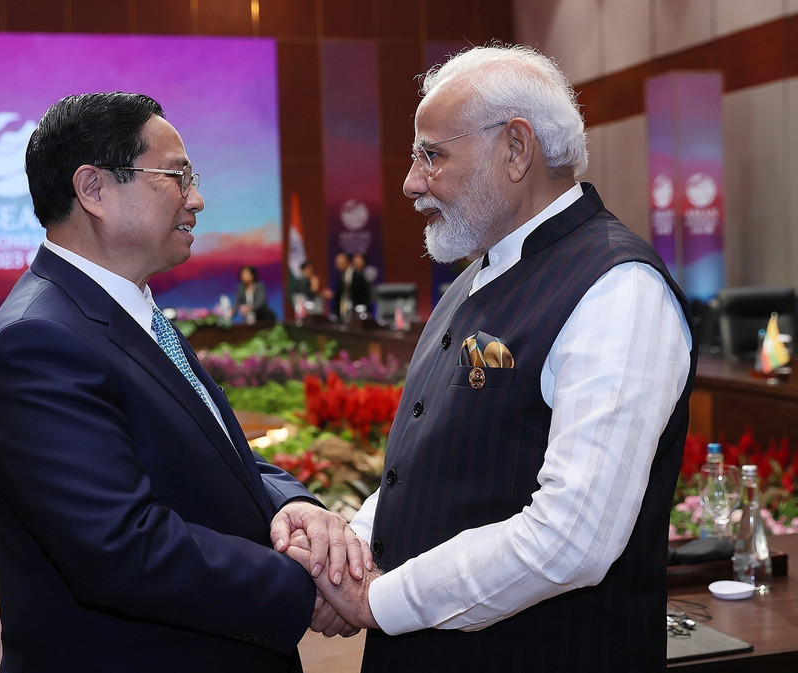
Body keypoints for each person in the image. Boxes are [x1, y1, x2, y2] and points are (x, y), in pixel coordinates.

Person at [286, 45, 697, 671]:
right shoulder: (475, 277)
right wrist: (353, 556)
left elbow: (572, 538)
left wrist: (377, 600)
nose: (411, 182)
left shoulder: (618, 287)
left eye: (432, 154)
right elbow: (428, 474)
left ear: (516, 148)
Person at [0, 92, 369, 673]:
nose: (196, 199)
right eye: (177, 177)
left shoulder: (124, 311)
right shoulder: (37, 342)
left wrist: (296, 505)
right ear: (93, 189)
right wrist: (307, 585)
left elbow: (211, 451)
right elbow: (123, 546)